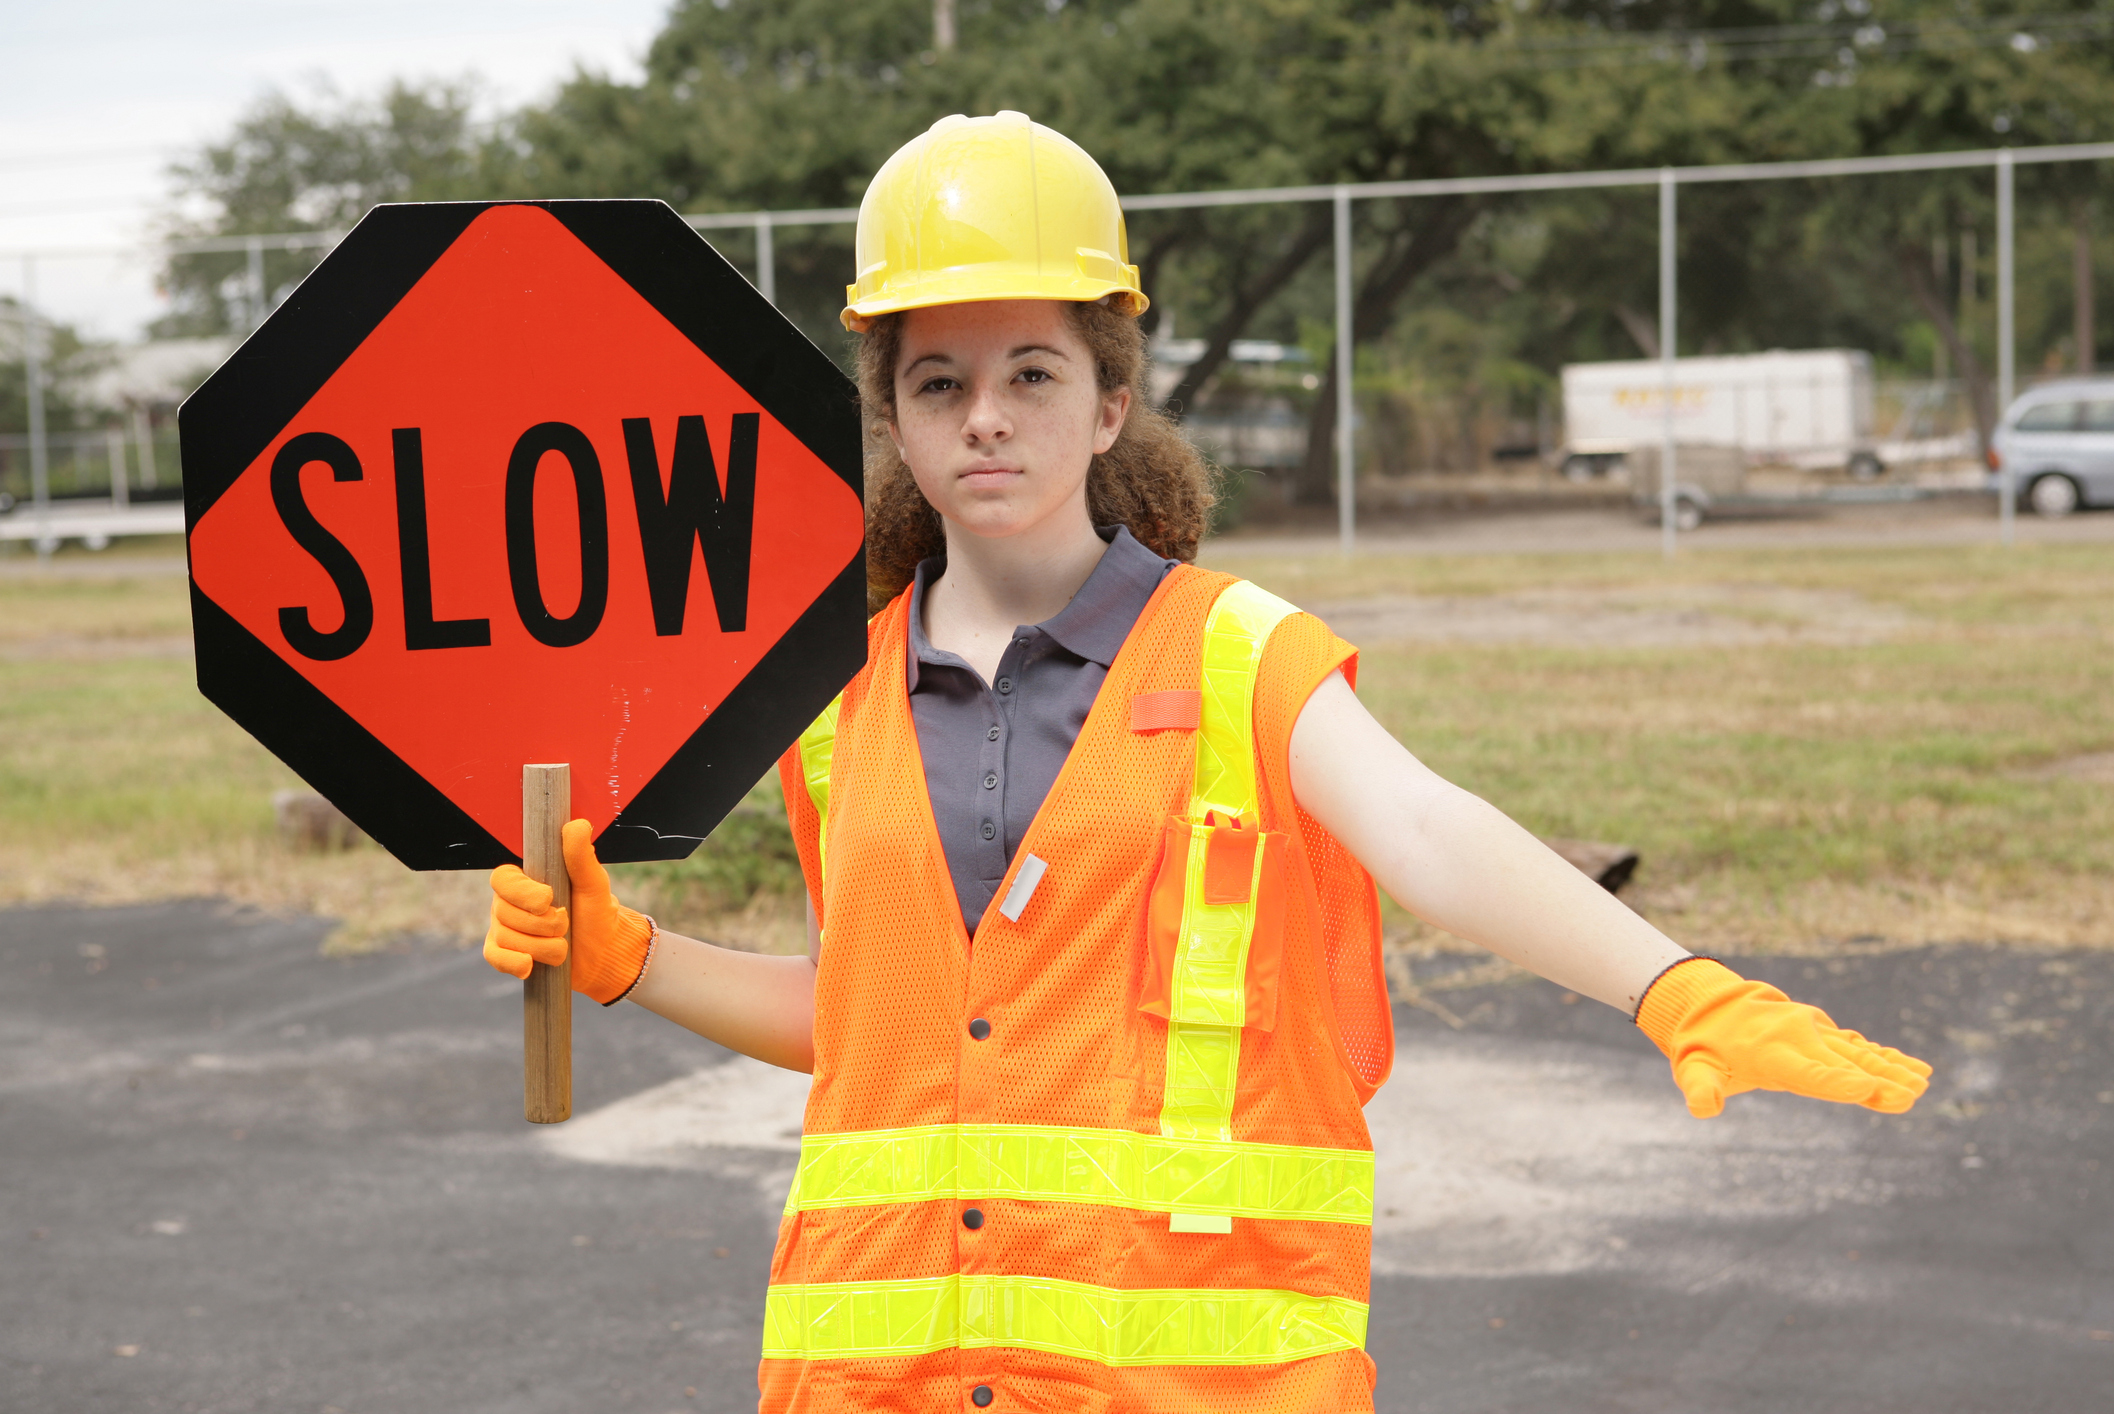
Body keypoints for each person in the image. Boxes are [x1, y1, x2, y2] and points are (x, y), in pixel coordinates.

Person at [482, 112, 1931, 1412]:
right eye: (937, 382)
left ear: (1108, 403)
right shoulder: (826, 698)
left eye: (1029, 371)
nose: (985, 415)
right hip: (889, 1373)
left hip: (1198, 1376)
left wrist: (1668, 983)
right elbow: (870, 1012)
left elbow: (1422, 831)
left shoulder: (1239, 652)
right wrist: (625, 954)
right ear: (896, 421)